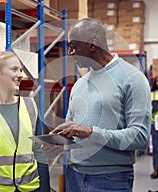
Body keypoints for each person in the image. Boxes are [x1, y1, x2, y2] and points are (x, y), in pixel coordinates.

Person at [50, 18, 151, 192]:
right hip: (73, 175)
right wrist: (59, 142)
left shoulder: (132, 78)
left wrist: (91, 132)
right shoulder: (80, 84)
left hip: (110, 179)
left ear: (92, 45)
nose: (70, 52)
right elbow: (72, 131)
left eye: (74, 46)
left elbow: (140, 137)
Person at [0, 51, 50, 192]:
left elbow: (39, 153)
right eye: (14, 69)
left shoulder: (30, 106)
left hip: (31, 188)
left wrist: (44, 189)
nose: (20, 75)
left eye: (20, 70)